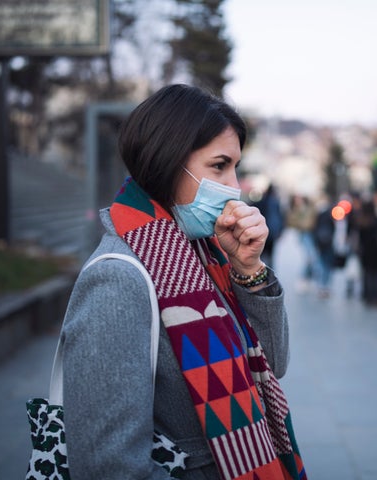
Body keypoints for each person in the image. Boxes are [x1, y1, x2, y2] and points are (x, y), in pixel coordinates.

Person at [57, 85, 306, 479]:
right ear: (168, 162)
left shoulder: (203, 253)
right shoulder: (117, 279)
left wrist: (248, 268)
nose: (234, 186)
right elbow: (109, 466)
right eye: (219, 165)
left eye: (235, 167)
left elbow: (272, 363)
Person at [286, 194, 318, 291]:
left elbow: (313, 218)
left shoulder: (309, 207)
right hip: (303, 234)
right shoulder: (295, 210)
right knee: (309, 257)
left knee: (311, 257)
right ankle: (303, 278)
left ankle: (307, 278)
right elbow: (291, 221)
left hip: (311, 234)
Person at [252, 183, 284, 268]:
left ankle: (261, 269)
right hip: (273, 232)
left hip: (263, 229)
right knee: (271, 253)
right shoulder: (276, 202)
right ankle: (270, 270)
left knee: (261, 252)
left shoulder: (263, 200)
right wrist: (280, 230)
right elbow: (280, 217)